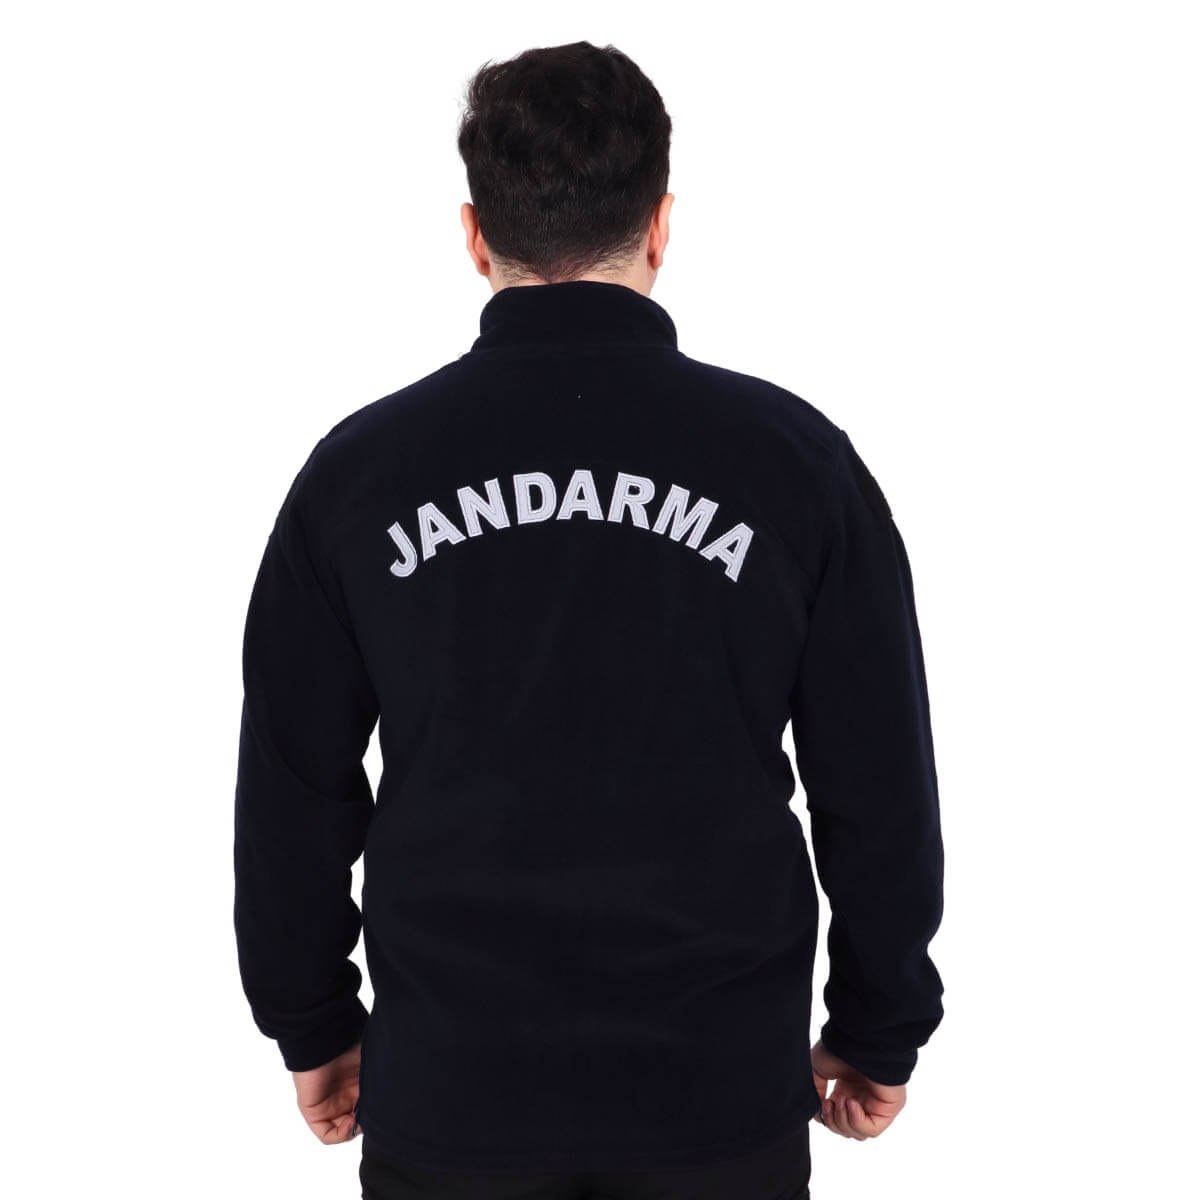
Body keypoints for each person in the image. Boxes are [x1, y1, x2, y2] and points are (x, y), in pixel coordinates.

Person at [232, 40, 945, 1200]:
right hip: (717, 1098)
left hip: (453, 1095)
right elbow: (878, 783)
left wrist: (311, 1023)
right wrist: (880, 1025)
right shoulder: (794, 466)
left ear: (476, 236)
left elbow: (292, 793)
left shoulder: (360, 476)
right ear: (661, 226)